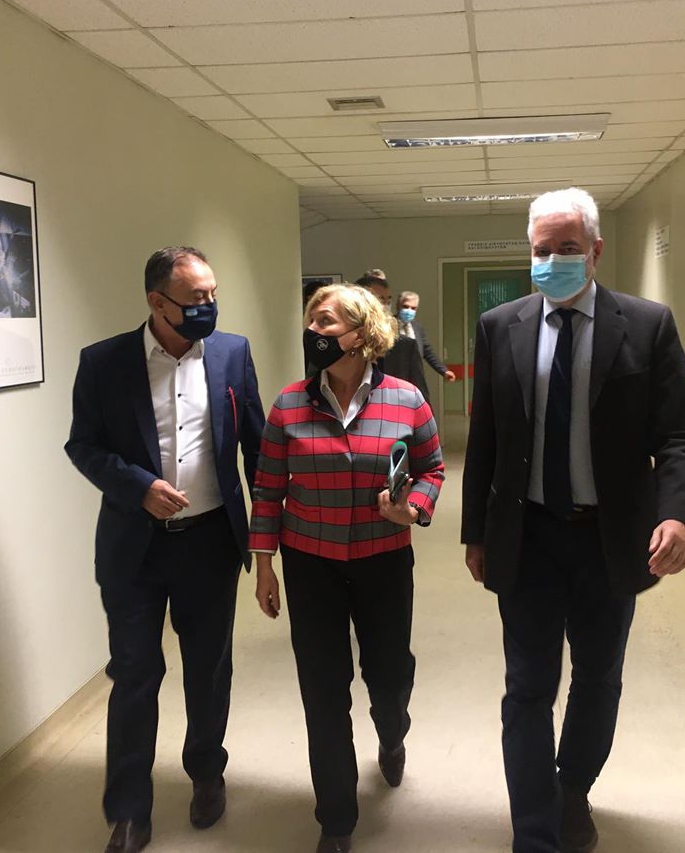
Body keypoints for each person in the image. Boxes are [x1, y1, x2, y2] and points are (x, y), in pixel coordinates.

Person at [460, 188, 685, 853]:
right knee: (527, 687)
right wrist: (475, 531)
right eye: (541, 250)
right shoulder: (501, 326)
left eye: (566, 249)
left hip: (609, 538)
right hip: (529, 535)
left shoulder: (646, 325)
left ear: (595, 251)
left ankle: (572, 790)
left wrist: (678, 516)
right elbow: (486, 438)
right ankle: (534, 832)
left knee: (598, 679)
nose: (552, 261)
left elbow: (681, 435)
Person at [64, 246, 266, 853]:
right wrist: (138, 487)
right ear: (158, 302)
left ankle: (206, 773)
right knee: (134, 674)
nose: (210, 305)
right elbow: (83, 445)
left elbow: (256, 447)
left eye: (213, 294)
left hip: (210, 543)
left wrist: (269, 538)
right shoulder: (104, 362)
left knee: (208, 669)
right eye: (197, 298)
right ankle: (128, 810)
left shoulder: (231, 354)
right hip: (134, 550)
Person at [249, 283, 445, 853]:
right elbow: (267, 488)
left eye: (326, 321)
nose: (313, 330)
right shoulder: (290, 405)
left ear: (360, 334)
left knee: (389, 675)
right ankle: (335, 819)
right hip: (311, 563)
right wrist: (264, 565)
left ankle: (392, 732)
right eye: (311, 319)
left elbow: (432, 469)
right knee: (323, 690)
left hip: (385, 560)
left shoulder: (406, 399)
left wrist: (413, 509)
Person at [354, 271, 431, 402]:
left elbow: (421, 397)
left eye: (388, 300)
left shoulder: (405, 346)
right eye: (379, 299)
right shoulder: (339, 345)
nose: (384, 306)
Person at [396, 291, 457, 383]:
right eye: (405, 307)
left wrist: (444, 371)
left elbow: (427, 351)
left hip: (415, 379)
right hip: (395, 378)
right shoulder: (387, 326)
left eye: (413, 308)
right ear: (398, 306)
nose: (409, 311)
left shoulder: (417, 327)